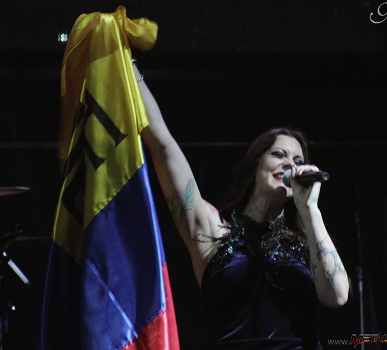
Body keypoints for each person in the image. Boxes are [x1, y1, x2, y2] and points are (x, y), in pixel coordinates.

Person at [135, 65, 350, 349]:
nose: (290, 164)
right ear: (255, 165)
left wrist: (310, 209)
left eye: (298, 161)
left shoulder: (306, 241)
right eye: (279, 154)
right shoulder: (213, 231)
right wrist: (128, 66)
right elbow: (163, 145)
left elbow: (337, 296)